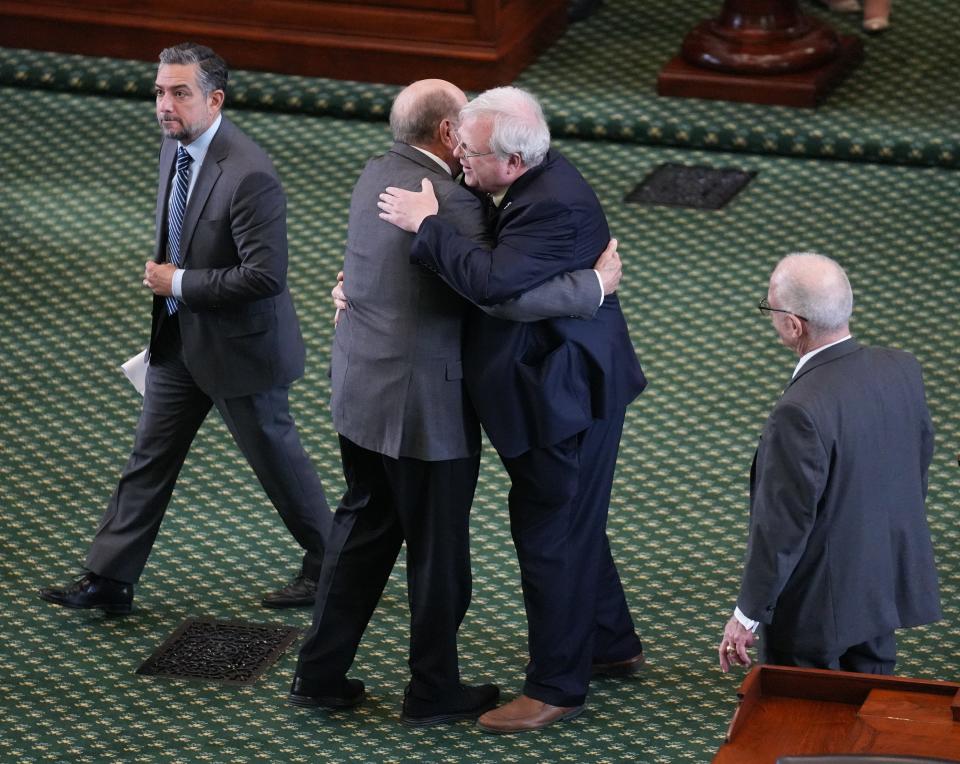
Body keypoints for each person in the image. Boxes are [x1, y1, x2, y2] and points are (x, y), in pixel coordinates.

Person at [289, 79, 615, 725]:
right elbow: (503, 296)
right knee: (440, 559)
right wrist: (592, 287)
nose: (467, 146)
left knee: (360, 532)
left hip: (360, 393)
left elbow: (376, 268)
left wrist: (350, 287)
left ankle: (318, 673)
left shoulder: (376, 172)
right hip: (423, 414)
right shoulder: (457, 209)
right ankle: (432, 691)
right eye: (463, 131)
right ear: (446, 135)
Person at [378, 86, 646, 733]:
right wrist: (591, 286)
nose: (459, 159)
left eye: (468, 152)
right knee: (571, 518)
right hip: (556, 393)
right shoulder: (534, 185)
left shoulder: (551, 206)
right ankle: (610, 642)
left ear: (514, 163)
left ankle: (557, 686)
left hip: (565, 402)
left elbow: (495, 288)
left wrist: (428, 225)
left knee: (549, 534)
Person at [39, 42, 331, 615]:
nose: (164, 105)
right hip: (178, 344)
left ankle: (335, 565)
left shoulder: (250, 175)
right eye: (159, 92)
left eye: (179, 93)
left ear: (214, 99)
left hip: (242, 353)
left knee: (280, 468)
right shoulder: (175, 146)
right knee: (148, 457)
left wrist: (180, 284)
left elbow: (265, 276)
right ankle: (109, 580)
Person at [718, 252, 940, 675]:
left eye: (770, 306)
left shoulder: (799, 411)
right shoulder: (902, 369)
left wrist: (745, 616)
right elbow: (917, 465)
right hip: (880, 579)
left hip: (817, 605)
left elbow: (782, 528)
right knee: (872, 698)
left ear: (794, 324)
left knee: (808, 715)